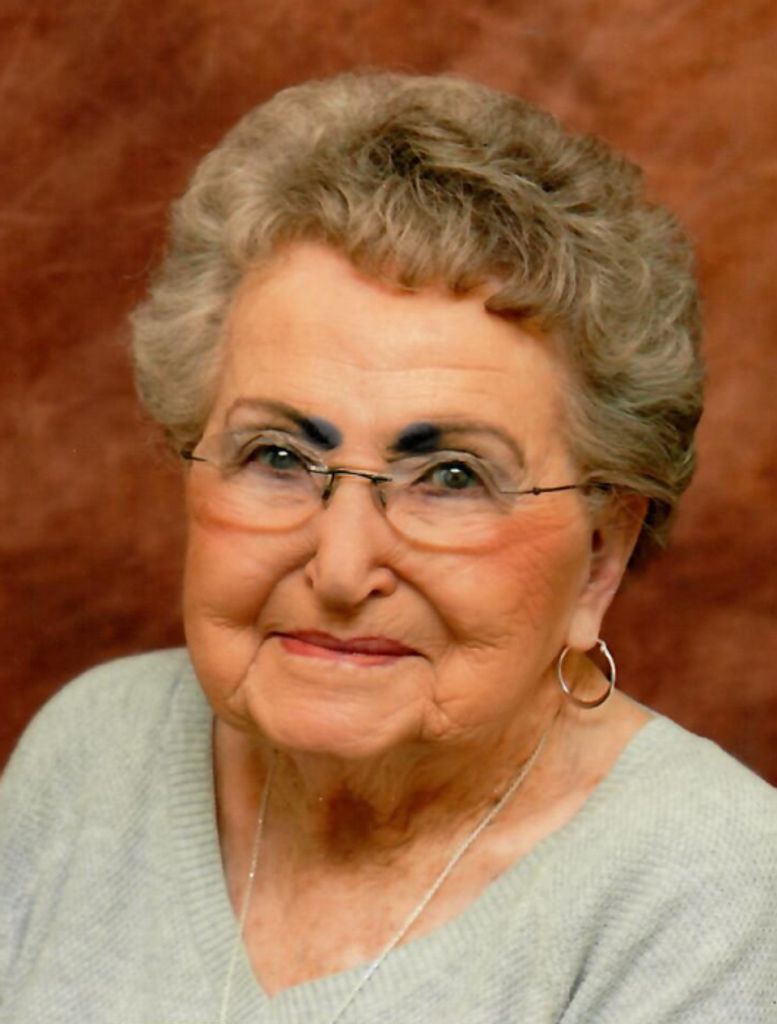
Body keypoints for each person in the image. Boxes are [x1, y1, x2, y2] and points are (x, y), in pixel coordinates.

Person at [1, 71, 775, 1024]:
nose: (339, 569)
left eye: (450, 476)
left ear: (600, 556)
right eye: (278, 456)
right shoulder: (90, 750)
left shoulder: (715, 897)